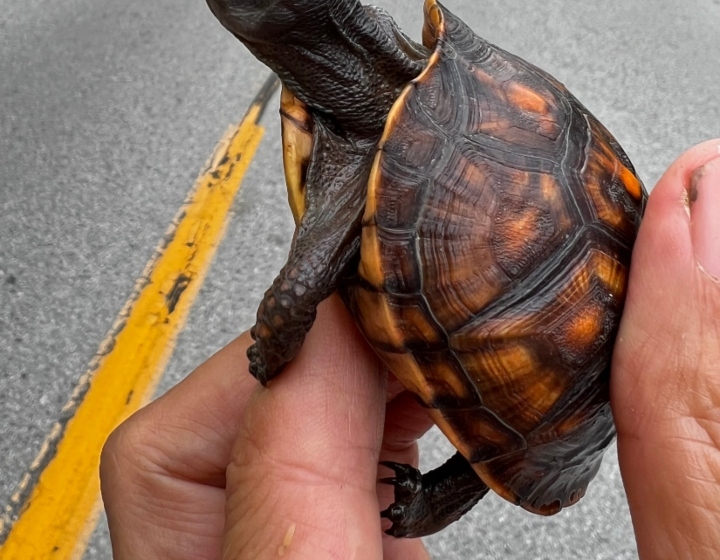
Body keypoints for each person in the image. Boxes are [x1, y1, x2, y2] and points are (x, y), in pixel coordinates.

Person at [101, 140, 720, 560]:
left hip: (554, 389)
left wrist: (283, 324)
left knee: (497, 446)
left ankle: (428, 501)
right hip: (507, 308)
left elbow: (301, 290)